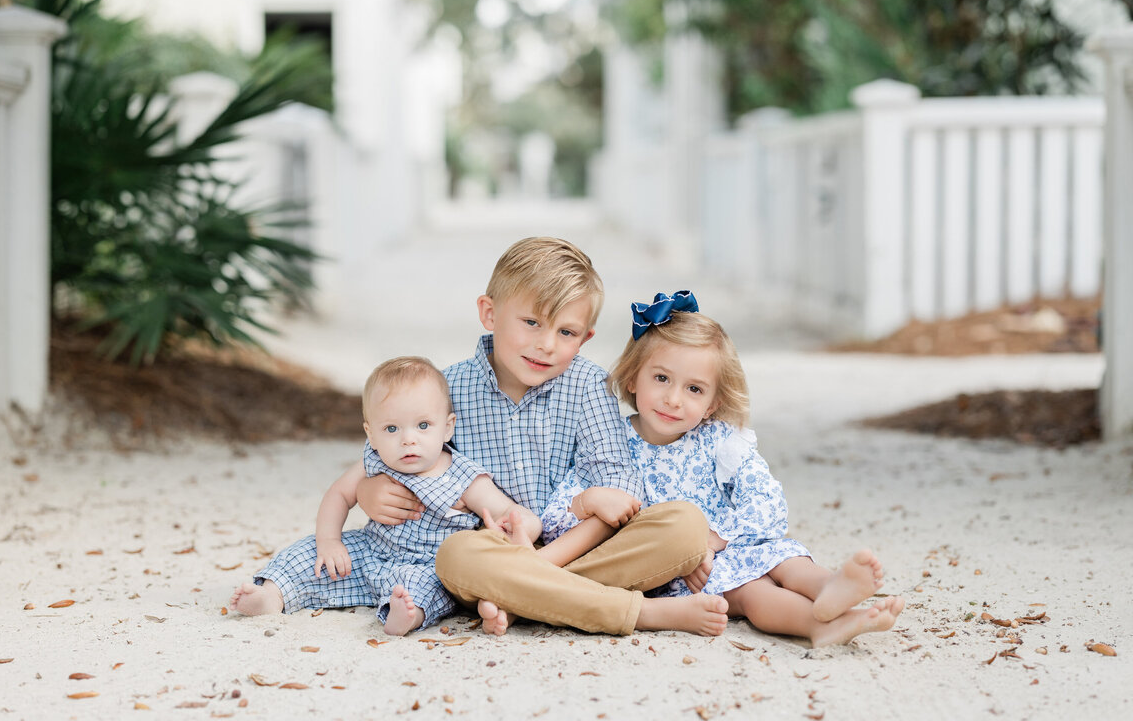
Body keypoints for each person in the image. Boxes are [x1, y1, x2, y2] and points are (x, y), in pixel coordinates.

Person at [363, 238, 728, 636]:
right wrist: (369, 488)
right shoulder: (448, 386)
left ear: (585, 337)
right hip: (490, 553)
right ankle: (641, 613)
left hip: (576, 551)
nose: (547, 344)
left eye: (566, 331)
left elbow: (617, 496)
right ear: (490, 313)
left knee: (686, 526)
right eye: (532, 322)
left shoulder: (588, 385)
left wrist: (539, 565)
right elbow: (389, 445)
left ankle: (523, 600)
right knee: (455, 557)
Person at [526, 291, 905, 647]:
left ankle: (830, 588)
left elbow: (767, 501)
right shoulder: (608, 444)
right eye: (661, 379)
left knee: (788, 560)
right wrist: (588, 500)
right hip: (680, 573)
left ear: (711, 403)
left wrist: (714, 540)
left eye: (694, 389)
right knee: (753, 593)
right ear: (632, 378)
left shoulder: (721, 441)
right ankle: (820, 626)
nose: (673, 399)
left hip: (729, 543)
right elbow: (556, 520)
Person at [229, 356, 541, 636]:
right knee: (306, 555)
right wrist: (329, 542)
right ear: (371, 434)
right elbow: (339, 494)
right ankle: (272, 594)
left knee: (426, 589)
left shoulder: (464, 477)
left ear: (447, 429)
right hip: (368, 550)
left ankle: (405, 616)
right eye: (391, 429)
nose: (408, 440)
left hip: (427, 563)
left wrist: (512, 527)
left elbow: (516, 515)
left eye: (422, 425)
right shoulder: (373, 460)